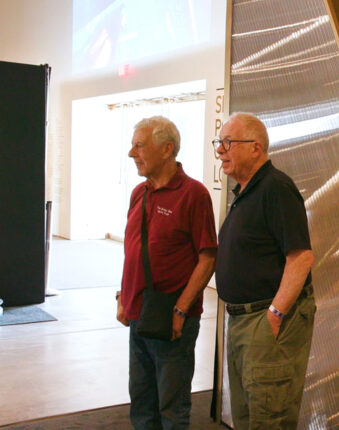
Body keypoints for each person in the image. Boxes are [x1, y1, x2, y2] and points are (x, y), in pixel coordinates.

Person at [214, 112, 316, 430]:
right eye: (219, 142)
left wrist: (274, 315)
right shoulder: (247, 192)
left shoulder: (276, 188)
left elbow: (300, 258)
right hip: (244, 320)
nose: (220, 150)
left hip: (264, 321)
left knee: (268, 418)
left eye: (228, 142)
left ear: (255, 147)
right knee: (248, 416)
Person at [117, 116, 218, 429]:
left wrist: (181, 309)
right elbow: (132, 251)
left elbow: (207, 257)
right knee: (142, 401)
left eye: (139, 145)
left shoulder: (194, 194)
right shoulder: (139, 193)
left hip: (173, 318)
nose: (132, 153)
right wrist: (123, 297)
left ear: (167, 149)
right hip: (139, 314)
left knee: (172, 408)